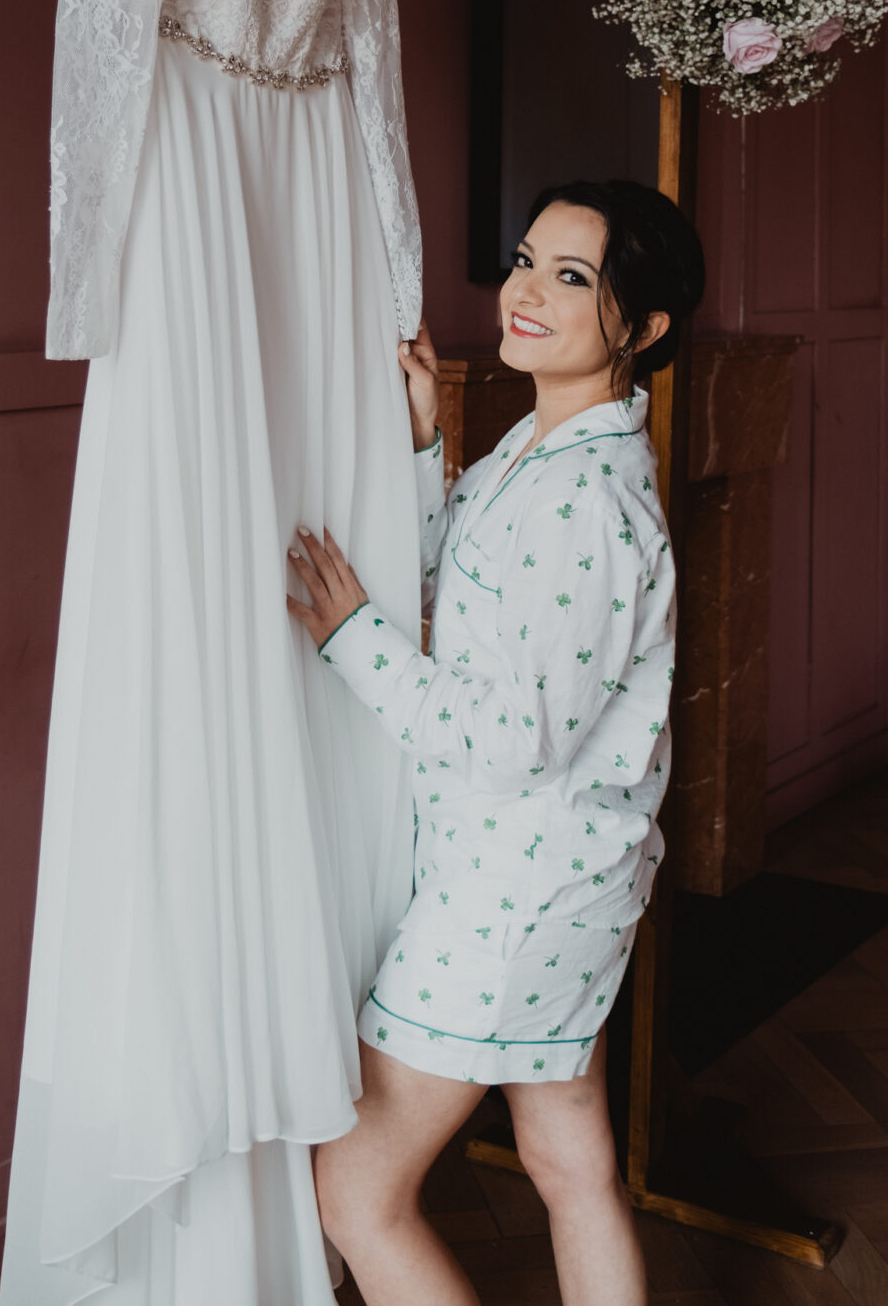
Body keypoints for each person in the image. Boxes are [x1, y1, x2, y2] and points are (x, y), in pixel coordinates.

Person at [287, 178, 705, 1306]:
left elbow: (510, 738)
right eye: (526, 260)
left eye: (571, 278)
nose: (523, 291)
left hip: (511, 902)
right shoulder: (550, 449)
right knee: (570, 1165)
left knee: (354, 1194)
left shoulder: (590, 504)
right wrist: (427, 453)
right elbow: (477, 603)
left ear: (645, 328)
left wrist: (350, 639)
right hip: (561, 883)